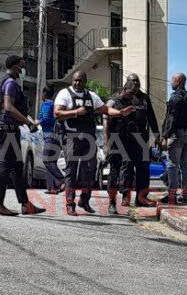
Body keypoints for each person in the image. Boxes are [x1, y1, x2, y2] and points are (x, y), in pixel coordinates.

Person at [54, 71, 134, 216]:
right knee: (71, 171)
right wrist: (76, 112)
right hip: (71, 137)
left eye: (80, 81)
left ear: (85, 81)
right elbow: (57, 113)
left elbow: (106, 109)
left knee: (90, 171)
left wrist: (120, 113)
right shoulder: (64, 94)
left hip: (89, 139)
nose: (77, 83)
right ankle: (70, 204)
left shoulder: (91, 96)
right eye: (75, 80)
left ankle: (84, 200)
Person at [0, 55, 46, 216]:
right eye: (22, 65)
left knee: (17, 167)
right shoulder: (11, 83)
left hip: (1, 127)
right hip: (8, 128)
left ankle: (25, 204)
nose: (24, 68)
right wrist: (29, 122)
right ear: (16, 67)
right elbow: (8, 107)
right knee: (5, 166)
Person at [104, 81, 142, 215]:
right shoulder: (113, 101)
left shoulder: (134, 102)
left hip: (130, 141)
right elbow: (106, 114)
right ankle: (112, 203)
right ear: (124, 89)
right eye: (130, 93)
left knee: (128, 170)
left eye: (134, 94)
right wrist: (106, 142)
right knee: (114, 171)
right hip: (115, 141)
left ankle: (125, 197)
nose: (132, 96)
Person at [161, 73, 187, 205]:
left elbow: (171, 118)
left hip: (176, 134)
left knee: (172, 164)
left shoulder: (175, 98)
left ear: (178, 81)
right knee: (185, 164)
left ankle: (172, 196)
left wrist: (165, 136)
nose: (171, 82)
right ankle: (185, 195)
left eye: (172, 80)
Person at [124, 73, 159, 207]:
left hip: (142, 139)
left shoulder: (145, 98)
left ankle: (141, 198)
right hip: (126, 139)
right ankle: (125, 197)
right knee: (127, 169)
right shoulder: (123, 97)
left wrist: (157, 136)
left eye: (137, 81)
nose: (136, 84)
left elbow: (152, 118)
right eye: (133, 81)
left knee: (143, 170)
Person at [38, 86, 64, 195]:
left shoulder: (46, 104)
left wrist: (36, 122)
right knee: (52, 161)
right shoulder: (55, 105)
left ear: (44, 94)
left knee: (47, 160)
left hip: (50, 136)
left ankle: (62, 180)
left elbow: (45, 119)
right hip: (58, 136)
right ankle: (52, 188)